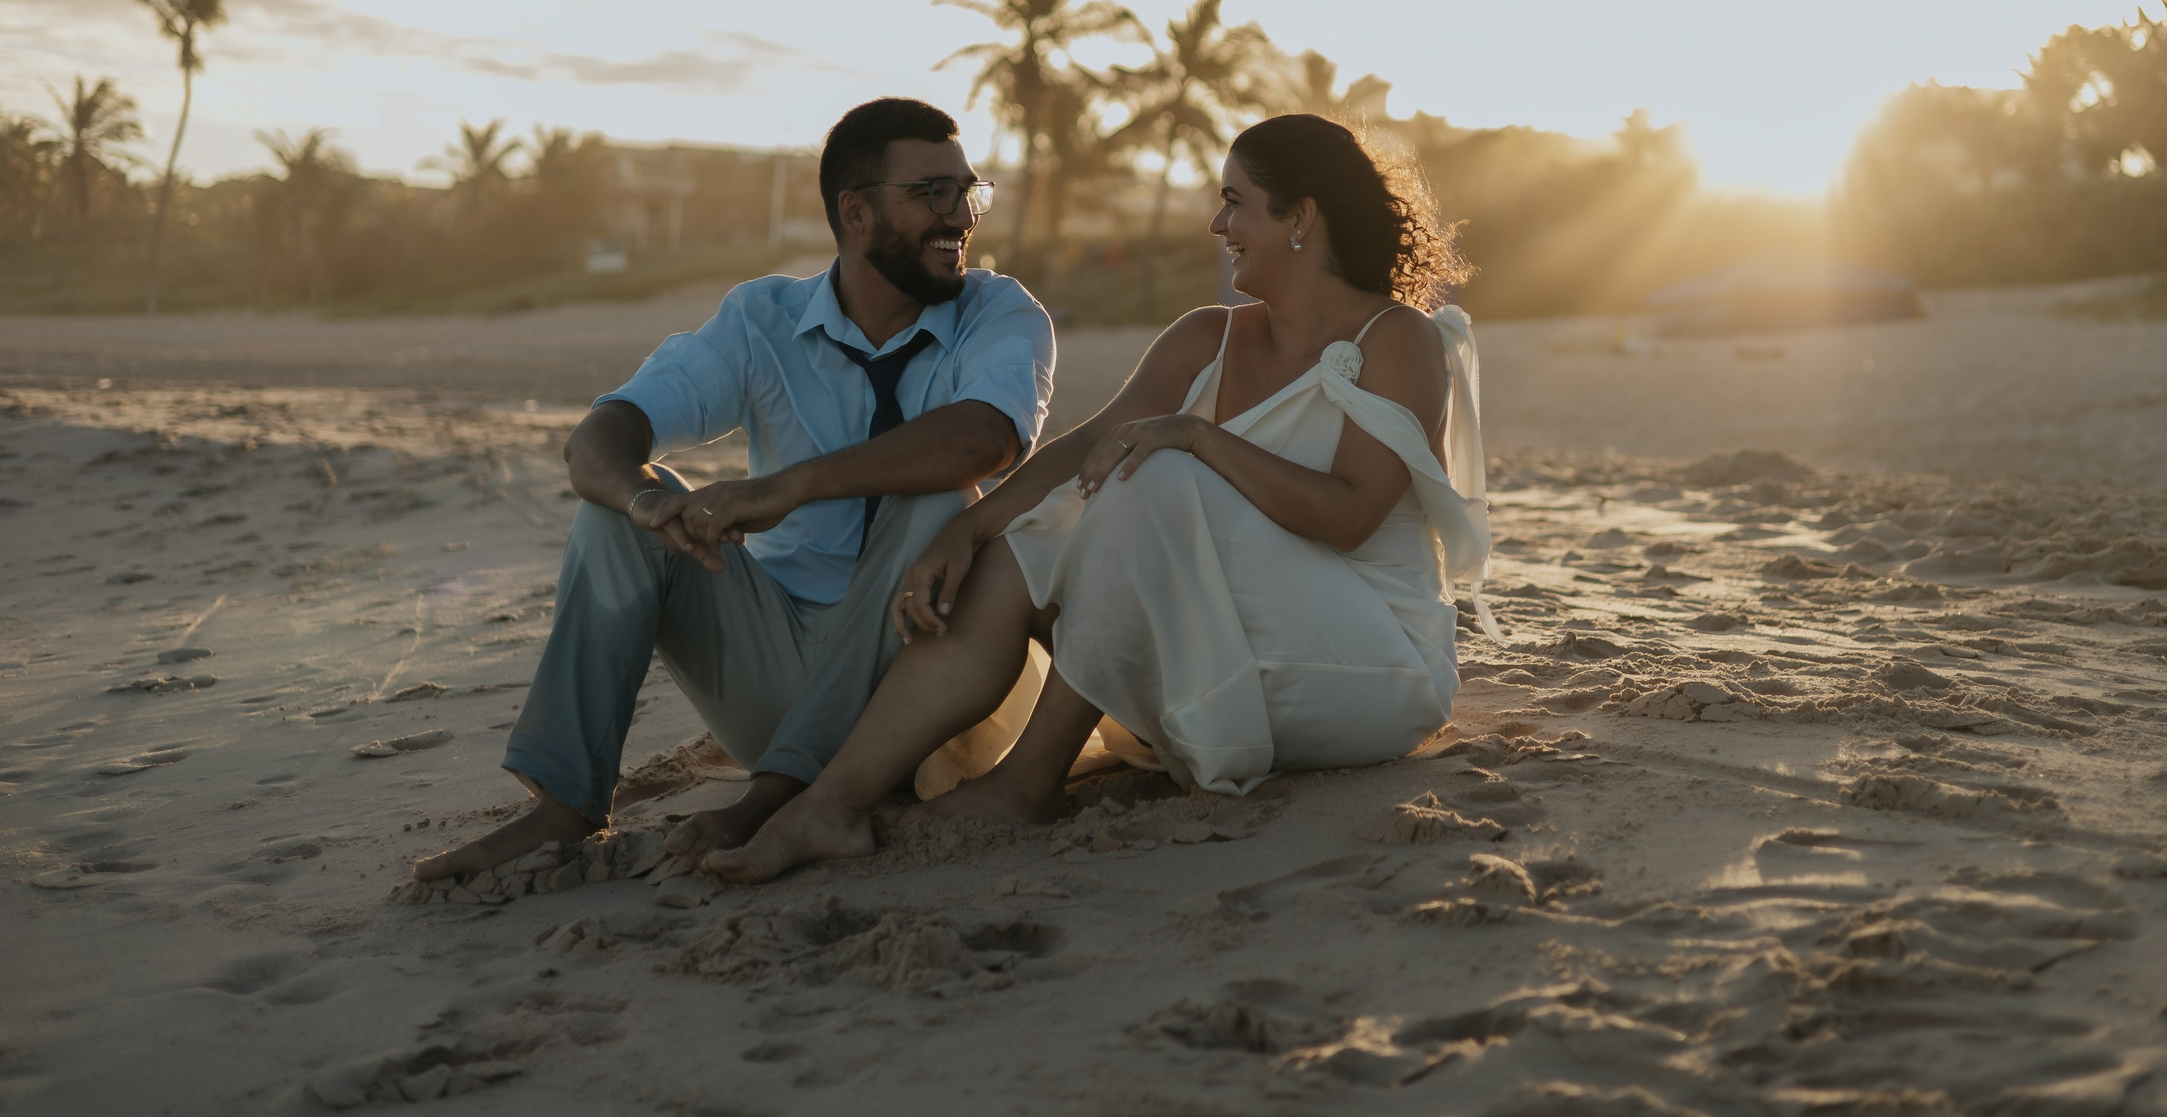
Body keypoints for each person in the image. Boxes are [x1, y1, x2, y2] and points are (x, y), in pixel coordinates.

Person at [705, 112, 1491, 881]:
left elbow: (1350, 517)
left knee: (1155, 474)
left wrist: (1199, 437)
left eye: (1235, 201)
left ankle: (1027, 784)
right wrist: (970, 529)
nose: (1218, 223)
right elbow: (1088, 447)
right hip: (1230, 650)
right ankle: (832, 804)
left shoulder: (1400, 339)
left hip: (1368, 666)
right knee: (1026, 544)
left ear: (1301, 218)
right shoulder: (1205, 337)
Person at [413, 98, 1054, 882]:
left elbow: (985, 438)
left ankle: (778, 797)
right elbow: (600, 437)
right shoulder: (763, 320)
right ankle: (566, 804)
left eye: (969, 192)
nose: (960, 216)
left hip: (928, 682)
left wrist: (788, 487)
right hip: (775, 662)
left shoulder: (999, 310)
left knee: (941, 498)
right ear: (856, 212)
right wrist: (649, 505)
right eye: (933, 193)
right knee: (620, 514)